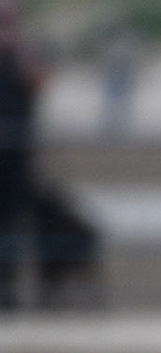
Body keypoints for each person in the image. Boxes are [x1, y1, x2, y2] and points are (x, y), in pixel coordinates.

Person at [0, 0, 48, 311]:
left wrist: (16, 48)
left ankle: (7, 292)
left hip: (15, 161)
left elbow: (40, 81)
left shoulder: (24, 54)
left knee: (11, 226)